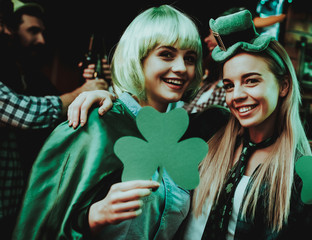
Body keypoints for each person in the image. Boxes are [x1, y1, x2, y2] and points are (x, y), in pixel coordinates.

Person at [67, 10, 312, 240]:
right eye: (229, 85)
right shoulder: (208, 129)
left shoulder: (301, 172)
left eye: (251, 80)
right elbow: (147, 121)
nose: (238, 95)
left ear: (283, 85)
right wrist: (108, 97)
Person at [13, 4, 205, 240]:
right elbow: (39, 227)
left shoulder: (189, 135)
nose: (181, 68)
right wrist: (89, 219)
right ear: (139, 58)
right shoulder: (95, 125)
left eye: (190, 58)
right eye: (166, 54)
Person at [0, 1, 107, 239]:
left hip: (19, 201)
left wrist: (92, 85)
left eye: (43, 32)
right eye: (32, 31)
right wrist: (82, 91)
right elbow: (28, 114)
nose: (41, 41)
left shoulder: (33, 77)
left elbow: (58, 111)